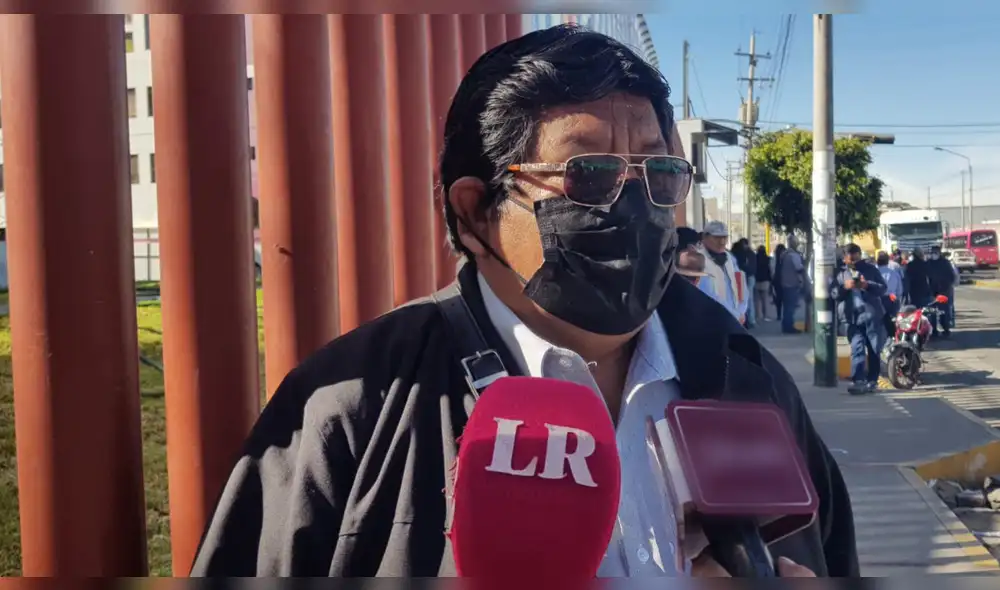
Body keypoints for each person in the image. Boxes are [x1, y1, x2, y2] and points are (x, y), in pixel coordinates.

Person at [190, 25, 854, 578]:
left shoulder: (745, 377)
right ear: (475, 213)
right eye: (588, 175)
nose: (633, 204)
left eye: (658, 172)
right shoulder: (356, 410)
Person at [831, 244, 887, 395]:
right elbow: (834, 294)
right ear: (845, 258)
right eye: (850, 259)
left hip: (871, 316)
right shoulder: (840, 273)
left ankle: (872, 380)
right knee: (857, 348)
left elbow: (883, 288)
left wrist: (867, 285)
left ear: (860, 255)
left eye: (856, 258)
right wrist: (845, 287)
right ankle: (859, 380)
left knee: (874, 349)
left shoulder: (871, 270)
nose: (853, 262)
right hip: (851, 318)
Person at [699, 221, 750, 324]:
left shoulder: (729, 258)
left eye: (724, 237)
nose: (722, 242)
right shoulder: (699, 259)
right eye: (717, 238)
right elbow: (709, 294)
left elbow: (741, 285)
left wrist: (741, 311)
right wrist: (734, 315)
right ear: (705, 237)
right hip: (713, 320)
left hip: (734, 319)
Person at [778, 236, 806, 334]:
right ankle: (789, 327)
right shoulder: (794, 255)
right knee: (791, 307)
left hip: (784, 283)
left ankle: (785, 326)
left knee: (787, 307)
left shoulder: (784, 254)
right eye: (796, 242)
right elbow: (799, 268)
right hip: (792, 283)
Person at [926, 245, 955, 338]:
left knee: (943, 311)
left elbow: (951, 276)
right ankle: (934, 330)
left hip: (943, 291)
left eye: (935, 252)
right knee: (932, 312)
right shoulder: (928, 263)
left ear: (939, 253)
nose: (934, 254)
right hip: (932, 291)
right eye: (932, 252)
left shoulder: (945, 263)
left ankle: (945, 329)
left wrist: (946, 288)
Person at [875, 251, 904, 341]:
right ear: (888, 261)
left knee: (878, 322)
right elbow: (900, 290)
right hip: (892, 299)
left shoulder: (874, 272)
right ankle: (893, 339)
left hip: (877, 299)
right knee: (892, 322)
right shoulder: (894, 273)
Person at [732, 238, 758, 328]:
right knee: (749, 299)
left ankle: (746, 319)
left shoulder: (737, 254)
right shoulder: (750, 254)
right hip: (749, 276)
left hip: (742, 277)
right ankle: (751, 319)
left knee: (743, 299)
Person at [754, 245, 772, 322]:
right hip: (765, 281)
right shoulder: (768, 259)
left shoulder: (755, 258)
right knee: (764, 300)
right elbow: (770, 270)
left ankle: (757, 316)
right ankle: (765, 316)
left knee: (756, 300)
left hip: (756, 280)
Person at [772, 243, 787, 322]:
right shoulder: (786, 257)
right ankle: (785, 315)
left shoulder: (775, 257)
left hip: (776, 280)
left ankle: (778, 315)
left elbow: (772, 268)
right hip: (785, 279)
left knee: (778, 298)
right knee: (785, 297)